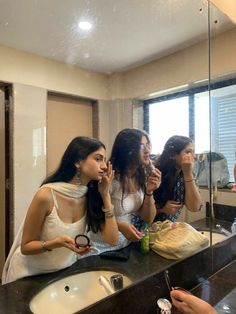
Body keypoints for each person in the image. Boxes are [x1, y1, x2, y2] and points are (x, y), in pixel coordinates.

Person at [2, 136, 118, 284]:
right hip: (29, 275)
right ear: (78, 162)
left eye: (104, 160)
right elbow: (26, 247)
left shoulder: (90, 196)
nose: (103, 166)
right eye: (98, 159)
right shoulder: (46, 196)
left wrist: (106, 195)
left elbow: (112, 239)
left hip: (61, 273)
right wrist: (56, 243)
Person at [86, 128, 162, 254]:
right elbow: (93, 217)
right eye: (142, 146)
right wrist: (121, 226)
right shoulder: (108, 177)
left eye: (148, 145)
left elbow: (148, 218)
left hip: (125, 245)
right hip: (100, 248)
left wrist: (149, 192)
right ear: (128, 150)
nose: (148, 150)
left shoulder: (141, 175)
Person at [153, 135, 202, 222]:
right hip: (146, 228)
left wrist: (188, 173)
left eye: (193, 152)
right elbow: (138, 210)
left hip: (168, 228)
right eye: (188, 152)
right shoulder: (156, 172)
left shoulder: (188, 173)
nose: (193, 156)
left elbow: (194, 207)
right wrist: (161, 209)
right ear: (172, 155)